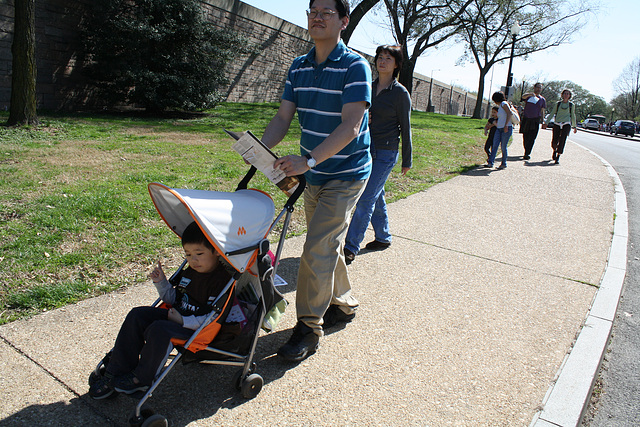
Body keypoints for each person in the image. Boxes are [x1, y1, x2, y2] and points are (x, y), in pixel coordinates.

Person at [260, 0, 372, 362]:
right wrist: (259, 147)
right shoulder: (299, 66)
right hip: (313, 173)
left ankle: (309, 328)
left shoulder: (356, 66)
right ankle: (344, 302)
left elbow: (351, 126)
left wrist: (307, 161)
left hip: (346, 172)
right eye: (312, 11)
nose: (317, 17)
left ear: (344, 21)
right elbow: (282, 118)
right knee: (326, 243)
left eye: (326, 11)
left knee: (317, 247)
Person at [89, 221, 232, 399]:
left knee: (159, 330)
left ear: (216, 251)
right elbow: (175, 299)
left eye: (199, 254)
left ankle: (141, 380)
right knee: (137, 314)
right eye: (187, 254)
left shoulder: (222, 281)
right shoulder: (190, 272)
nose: (192, 259)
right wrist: (162, 283)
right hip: (176, 317)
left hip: (197, 329)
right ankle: (116, 370)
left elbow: (211, 318)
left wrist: (182, 321)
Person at [343, 44, 412, 265]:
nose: (382, 61)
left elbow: (406, 127)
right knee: (376, 195)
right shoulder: (368, 86)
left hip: (386, 152)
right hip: (364, 148)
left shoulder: (400, 93)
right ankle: (383, 237)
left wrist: (407, 159)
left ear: (396, 65)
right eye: (380, 57)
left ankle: (350, 247)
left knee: (365, 197)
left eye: (388, 59)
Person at [543, 88, 577, 164]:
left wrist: (574, 126)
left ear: (569, 96)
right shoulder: (558, 104)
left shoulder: (571, 105)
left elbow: (573, 115)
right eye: (565, 93)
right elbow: (552, 113)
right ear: (562, 95)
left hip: (566, 124)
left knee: (562, 140)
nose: (566, 95)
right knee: (555, 140)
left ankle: (558, 155)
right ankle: (554, 150)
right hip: (557, 123)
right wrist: (546, 122)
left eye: (568, 94)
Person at [519, 82, 546, 160]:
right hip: (527, 118)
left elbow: (542, 110)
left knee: (532, 137)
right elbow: (523, 97)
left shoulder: (542, 99)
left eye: (540, 88)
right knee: (525, 136)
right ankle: (526, 149)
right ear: (534, 87)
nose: (538, 89)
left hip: (535, 120)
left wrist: (543, 120)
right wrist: (530, 94)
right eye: (537, 87)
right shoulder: (529, 96)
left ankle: (527, 153)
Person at [486, 91, 513, 169]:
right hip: (499, 128)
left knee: (503, 147)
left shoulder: (504, 104)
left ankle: (503, 163)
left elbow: (509, 113)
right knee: (495, 145)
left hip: (506, 128)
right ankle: (490, 162)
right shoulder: (501, 106)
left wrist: (506, 125)